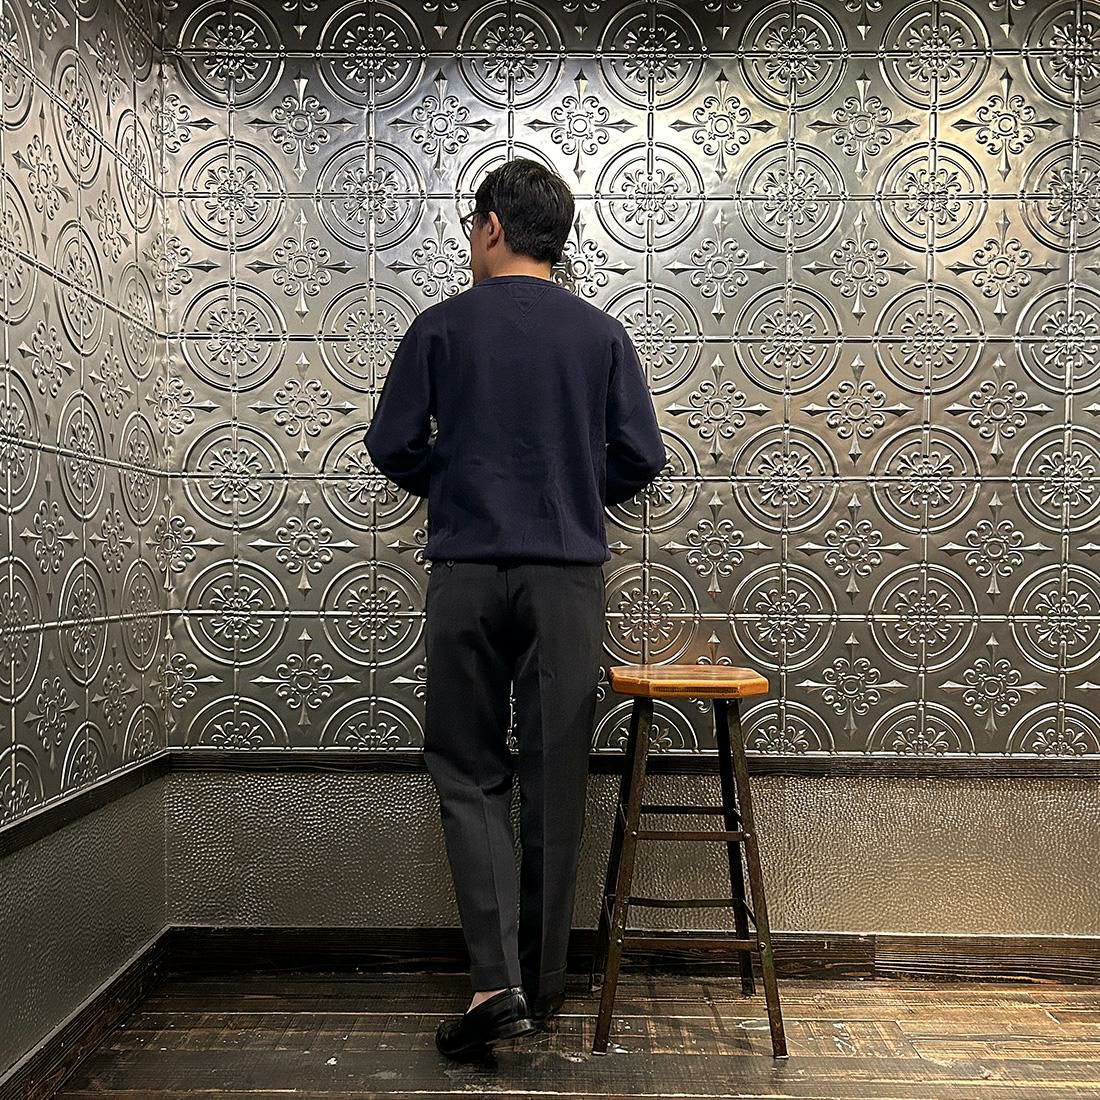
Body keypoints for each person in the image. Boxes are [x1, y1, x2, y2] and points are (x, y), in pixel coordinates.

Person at [364, 157, 666, 1059]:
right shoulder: (600, 334)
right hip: (565, 579)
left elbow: (391, 444)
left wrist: (458, 482)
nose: (471, 241)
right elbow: (640, 456)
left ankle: (494, 988)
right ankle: (543, 987)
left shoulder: (439, 327)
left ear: (492, 225)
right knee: (555, 776)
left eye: (472, 226)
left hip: (465, 571)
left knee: (468, 771)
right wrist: (569, 491)